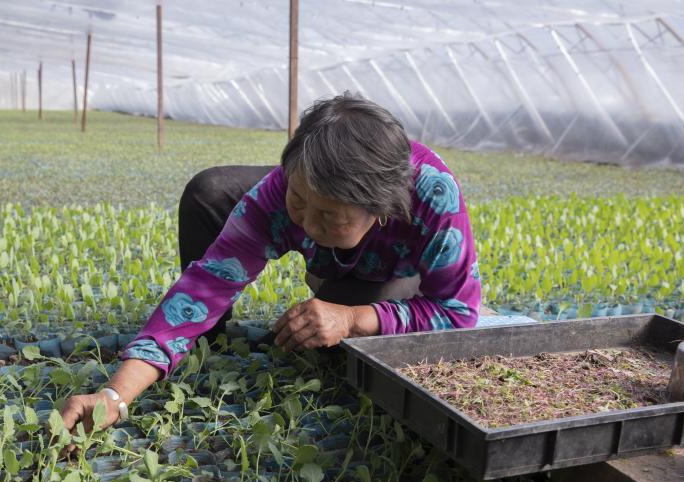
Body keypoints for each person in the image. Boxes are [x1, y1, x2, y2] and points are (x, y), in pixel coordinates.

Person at [61, 91, 482, 435]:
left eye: (330, 217)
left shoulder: (432, 197)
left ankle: (348, 297)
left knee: (338, 346)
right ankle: (206, 340)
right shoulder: (277, 194)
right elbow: (203, 287)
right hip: (316, 224)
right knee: (211, 191)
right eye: (298, 201)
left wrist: (352, 318)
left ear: (381, 210)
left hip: (384, 276)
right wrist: (114, 396)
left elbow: (458, 312)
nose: (306, 224)